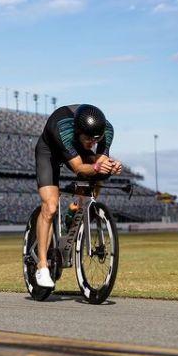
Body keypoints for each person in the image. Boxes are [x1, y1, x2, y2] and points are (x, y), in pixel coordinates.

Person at [34, 104, 123, 288]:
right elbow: (78, 168)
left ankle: (77, 209)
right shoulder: (64, 128)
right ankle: (42, 265)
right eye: (89, 138)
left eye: (96, 139)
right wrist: (97, 166)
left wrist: (111, 165)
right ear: (78, 131)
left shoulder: (106, 130)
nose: (93, 142)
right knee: (50, 207)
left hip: (78, 149)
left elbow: (99, 161)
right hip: (50, 152)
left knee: (101, 172)